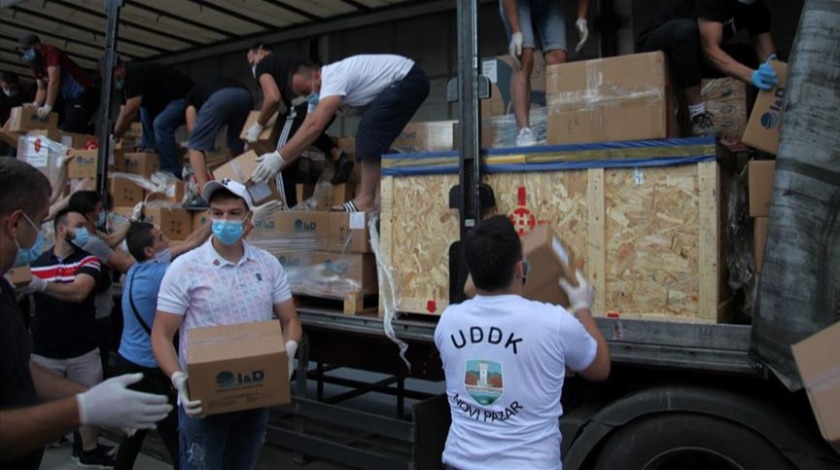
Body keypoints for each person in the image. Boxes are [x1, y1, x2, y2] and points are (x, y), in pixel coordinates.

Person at [0, 158, 171, 470]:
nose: (43, 233)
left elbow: (19, 367)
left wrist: (93, 395)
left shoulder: (6, 287)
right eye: (40, 222)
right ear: (14, 224)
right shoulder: (34, 266)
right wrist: (82, 408)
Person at [434, 215, 611, 470]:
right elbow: (600, 368)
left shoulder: (448, 322)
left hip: (460, 462)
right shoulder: (554, 322)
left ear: (472, 272)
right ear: (520, 269)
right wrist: (583, 307)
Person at [151, 178, 302, 469]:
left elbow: (290, 319)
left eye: (234, 213)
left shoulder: (268, 265)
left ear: (248, 217)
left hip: (254, 395)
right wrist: (178, 379)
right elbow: (161, 334)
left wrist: (289, 350)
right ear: (208, 216)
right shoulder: (185, 268)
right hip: (204, 400)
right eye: (217, 213)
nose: (225, 220)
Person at [251, 54, 429, 213]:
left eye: (306, 91)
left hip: (409, 78)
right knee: (373, 133)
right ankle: (376, 199)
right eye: (302, 95)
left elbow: (315, 126)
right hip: (401, 82)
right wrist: (278, 160)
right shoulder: (318, 94)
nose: (307, 98)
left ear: (316, 75)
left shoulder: (333, 77)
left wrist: (279, 157)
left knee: (369, 128)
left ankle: (365, 199)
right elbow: (306, 131)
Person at [114, 218, 211, 470]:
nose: (166, 240)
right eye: (160, 238)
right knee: (175, 432)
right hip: (149, 367)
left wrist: (213, 220)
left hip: (129, 361)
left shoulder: (139, 267)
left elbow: (190, 242)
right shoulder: (164, 274)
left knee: (136, 429)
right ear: (149, 250)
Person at [636, 0, 779, 136]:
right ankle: (698, 116)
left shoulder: (756, 7)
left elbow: (767, 54)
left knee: (752, 58)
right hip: (659, 50)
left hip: (693, 54)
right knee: (686, 31)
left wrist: (777, 79)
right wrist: (751, 75)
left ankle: (762, 134)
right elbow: (710, 52)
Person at [245, 44, 352, 206]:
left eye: (251, 60)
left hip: (302, 106)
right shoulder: (290, 60)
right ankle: (338, 155)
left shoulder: (263, 65)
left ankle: (286, 212)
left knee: (280, 159)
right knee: (306, 135)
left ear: (260, 51)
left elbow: (272, 98)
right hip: (328, 104)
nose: (252, 66)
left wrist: (259, 125)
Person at [501, 0, 591, 147]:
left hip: (550, 4)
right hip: (518, 3)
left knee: (558, 58)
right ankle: (524, 131)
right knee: (524, 55)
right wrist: (516, 32)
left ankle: (560, 127)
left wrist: (582, 17)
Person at [68, 191, 136, 377]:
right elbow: (122, 264)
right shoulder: (90, 241)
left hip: (86, 312)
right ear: (90, 213)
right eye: (100, 209)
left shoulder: (82, 233)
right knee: (99, 363)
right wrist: (153, 254)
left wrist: (132, 220)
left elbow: (111, 240)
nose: (102, 213)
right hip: (97, 315)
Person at [106, 56, 194, 177]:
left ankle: (171, 171)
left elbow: (130, 112)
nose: (114, 80)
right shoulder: (126, 84)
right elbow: (123, 111)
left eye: (113, 76)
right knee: (144, 107)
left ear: (119, 69)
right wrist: (114, 136)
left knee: (161, 123)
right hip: (166, 102)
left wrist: (115, 137)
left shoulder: (135, 73)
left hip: (186, 98)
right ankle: (150, 148)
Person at [184, 76, 254, 208]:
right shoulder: (211, 85)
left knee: (194, 145)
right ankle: (239, 190)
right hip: (246, 96)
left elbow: (192, 127)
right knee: (236, 147)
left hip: (221, 98)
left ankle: (205, 195)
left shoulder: (190, 98)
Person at [17, 33, 99, 133]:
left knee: (70, 128)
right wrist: (36, 104)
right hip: (70, 99)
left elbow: (54, 81)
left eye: (27, 49)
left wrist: (47, 106)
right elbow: (41, 88)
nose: (26, 54)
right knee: (69, 128)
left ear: (37, 45)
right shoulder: (35, 63)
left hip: (84, 92)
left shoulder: (51, 52)